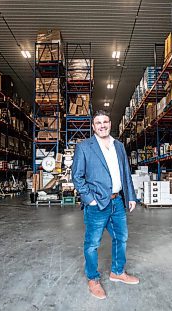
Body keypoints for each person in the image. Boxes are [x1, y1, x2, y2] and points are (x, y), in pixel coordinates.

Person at [72, 109, 140, 300]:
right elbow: (77, 177)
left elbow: (126, 172)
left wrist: (131, 197)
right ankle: (93, 279)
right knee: (92, 243)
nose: (102, 125)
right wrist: (90, 199)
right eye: (98, 122)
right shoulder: (85, 147)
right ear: (93, 126)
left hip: (117, 201)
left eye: (106, 122)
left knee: (122, 237)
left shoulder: (118, 146)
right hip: (97, 204)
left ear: (110, 124)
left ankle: (117, 272)